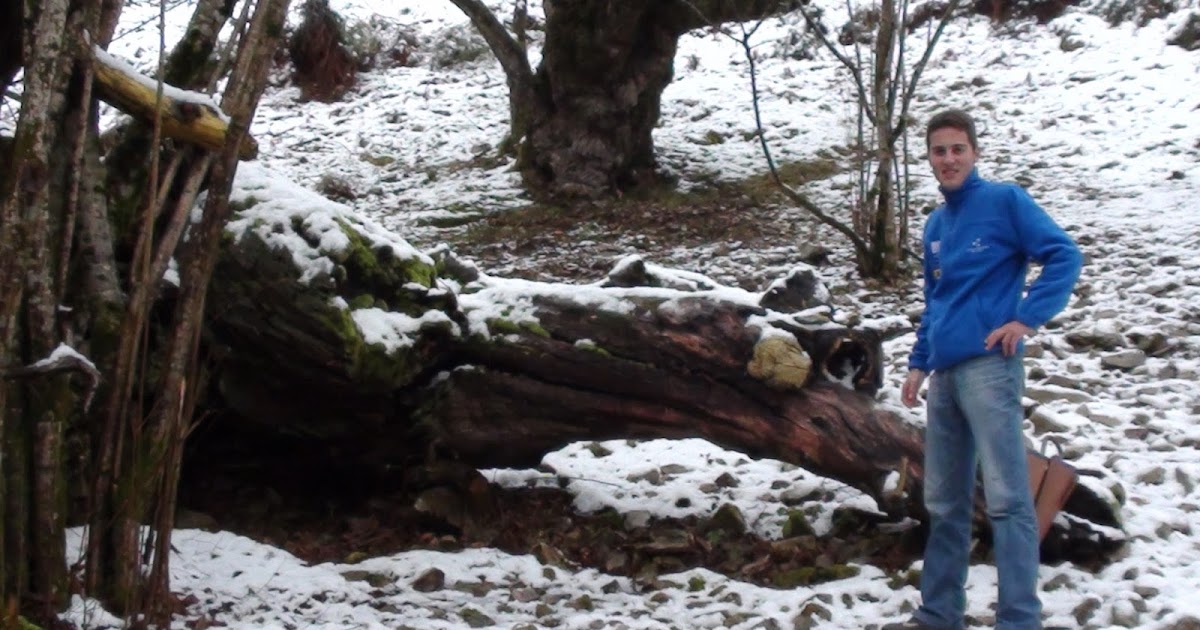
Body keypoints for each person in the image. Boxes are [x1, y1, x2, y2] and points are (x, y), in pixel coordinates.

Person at [884, 109, 1082, 630]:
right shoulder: (935, 224)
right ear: (929, 158)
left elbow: (1064, 255)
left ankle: (1018, 619)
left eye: (957, 149)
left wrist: (1026, 318)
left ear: (974, 152)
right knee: (944, 502)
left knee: (1008, 499)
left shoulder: (1005, 202)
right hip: (945, 378)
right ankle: (938, 615)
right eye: (938, 151)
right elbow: (936, 298)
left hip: (991, 370)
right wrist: (918, 364)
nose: (948, 159)